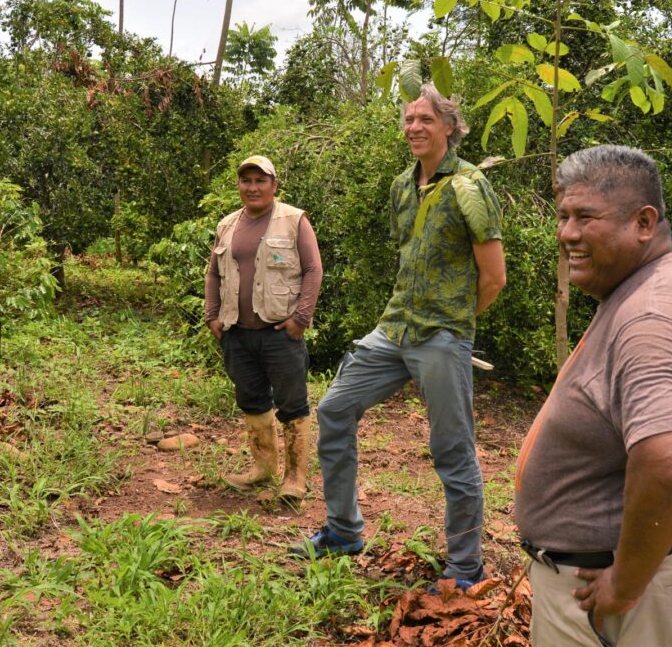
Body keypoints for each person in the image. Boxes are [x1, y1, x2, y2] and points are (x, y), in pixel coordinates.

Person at [515, 145, 672, 647]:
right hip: (613, 584)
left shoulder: (652, 319)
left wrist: (624, 586)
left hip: (626, 594)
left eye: (586, 216)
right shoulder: (639, 289)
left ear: (644, 223)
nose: (566, 233)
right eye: (563, 215)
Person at [299, 85, 507, 590]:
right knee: (333, 409)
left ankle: (464, 567)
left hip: (440, 334)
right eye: (409, 119)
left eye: (425, 119)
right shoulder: (401, 186)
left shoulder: (470, 187)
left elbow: (494, 277)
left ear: (449, 127)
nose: (414, 127)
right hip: (394, 329)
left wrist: (453, 325)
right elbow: (408, 255)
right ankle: (345, 531)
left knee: (451, 449)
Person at [205, 155, 323, 507]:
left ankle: (295, 477)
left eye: (260, 180)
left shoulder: (294, 220)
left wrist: (300, 319)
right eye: (246, 181)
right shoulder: (227, 225)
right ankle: (264, 468)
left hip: (279, 333)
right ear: (239, 185)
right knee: (252, 400)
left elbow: (313, 270)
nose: (253, 187)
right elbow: (214, 273)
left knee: (292, 404)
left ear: (274, 185)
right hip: (237, 334)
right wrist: (212, 316)